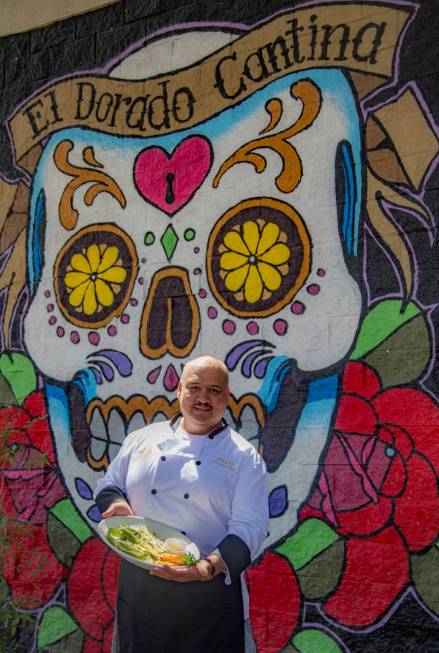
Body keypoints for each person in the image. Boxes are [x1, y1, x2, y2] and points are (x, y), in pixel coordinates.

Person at [94, 355, 268, 653]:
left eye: (214, 390)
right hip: (140, 589)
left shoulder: (243, 456)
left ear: (227, 397)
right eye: (194, 387)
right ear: (179, 391)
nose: (203, 398)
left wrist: (205, 569)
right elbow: (108, 484)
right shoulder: (141, 439)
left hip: (208, 593)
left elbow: (250, 527)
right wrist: (119, 505)